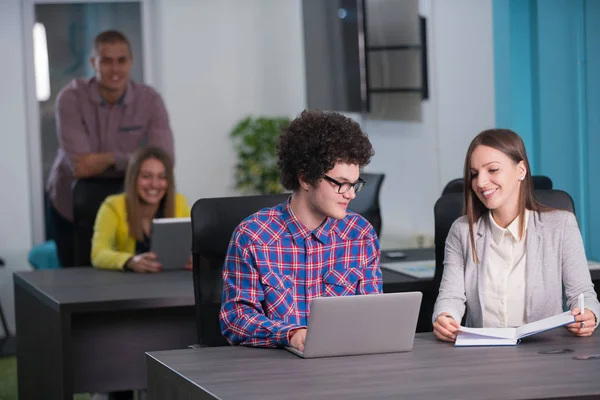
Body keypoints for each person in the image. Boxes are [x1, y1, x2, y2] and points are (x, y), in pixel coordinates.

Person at [219, 110, 383, 351]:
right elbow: (236, 318)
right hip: (276, 372)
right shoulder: (253, 235)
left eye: (355, 184)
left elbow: (374, 314)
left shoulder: (361, 234)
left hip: (344, 368)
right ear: (306, 179)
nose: (350, 194)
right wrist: (291, 334)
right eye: (341, 184)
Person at [433, 129, 599, 342]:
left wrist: (588, 315)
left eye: (492, 169)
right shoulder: (462, 230)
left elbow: (583, 295)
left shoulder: (561, 225)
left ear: (521, 170)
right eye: (474, 174)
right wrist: (445, 317)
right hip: (482, 353)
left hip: (545, 353)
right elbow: (450, 297)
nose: (481, 182)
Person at [46, 30, 174, 267]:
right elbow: (81, 167)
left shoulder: (150, 100)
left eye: (121, 60)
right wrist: (134, 160)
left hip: (130, 207)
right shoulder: (71, 98)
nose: (115, 69)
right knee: (75, 285)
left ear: (131, 62)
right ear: (93, 63)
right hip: (69, 206)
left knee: (131, 273)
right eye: (106, 61)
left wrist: (105, 160)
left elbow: (164, 161)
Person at [91, 146, 190, 272]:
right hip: (129, 286)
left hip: (170, 284)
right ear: (134, 178)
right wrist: (129, 261)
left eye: (162, 177)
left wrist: (196, 258)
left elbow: (200, 246)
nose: (154, 184)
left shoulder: (179, 203)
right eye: (146, 176)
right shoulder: (112, 206)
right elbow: (98, 253)